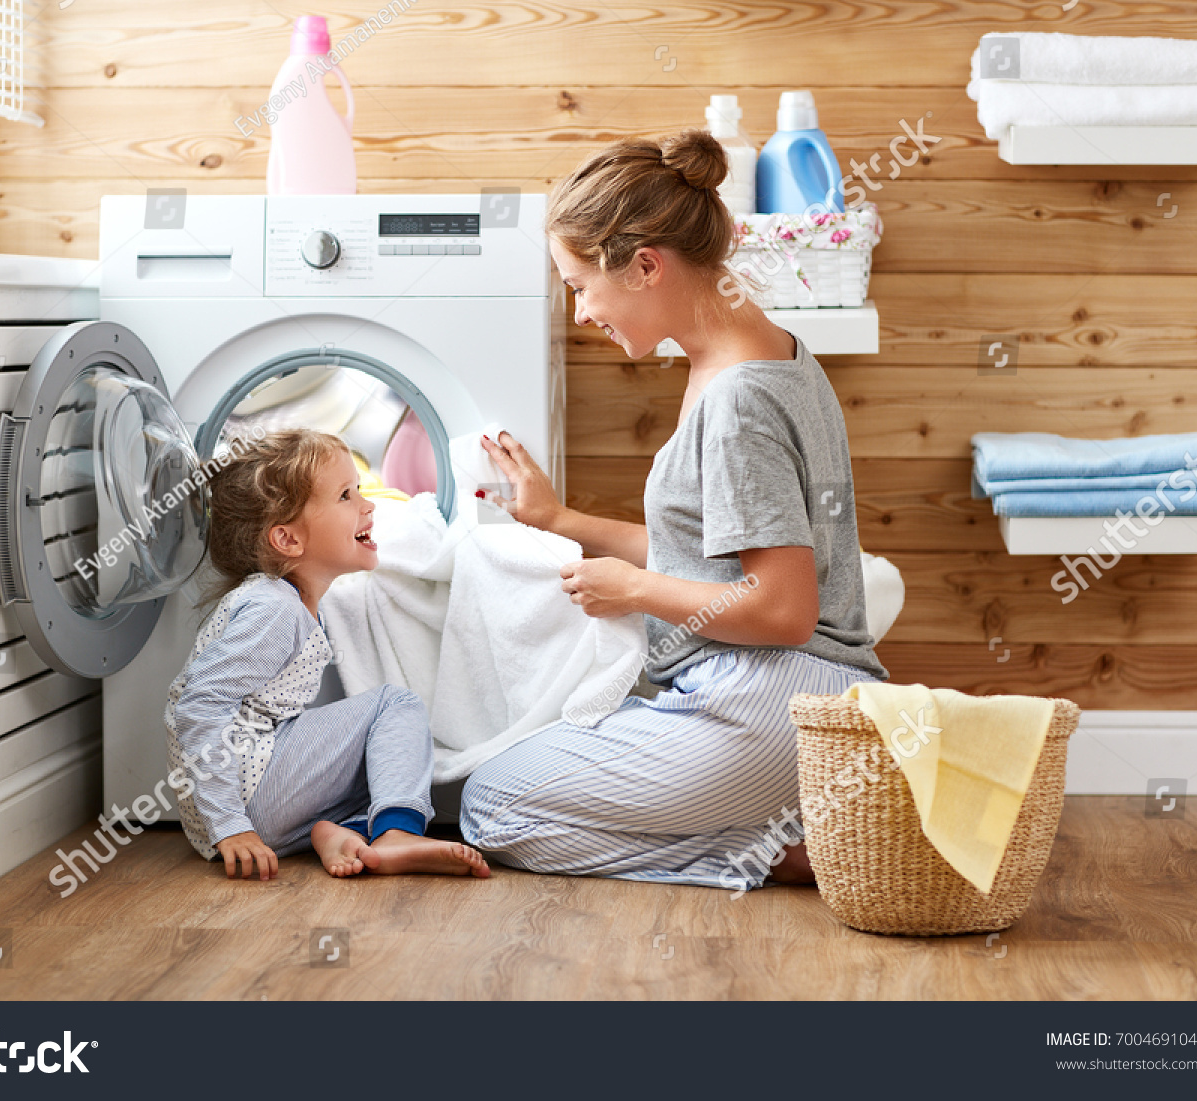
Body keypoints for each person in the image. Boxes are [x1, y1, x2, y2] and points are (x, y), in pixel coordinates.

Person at [459, 129, 889, 891]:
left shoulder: (738, 399)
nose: (581, 313)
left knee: (488, 805)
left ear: (645, 266)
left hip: (768, 705)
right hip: (802, 701)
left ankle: (770, 853)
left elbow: (784, 609)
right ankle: (769, 834)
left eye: (581, 285)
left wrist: (633, 590)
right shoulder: (765, 353)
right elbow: (707, 555)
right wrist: (561, 520)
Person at [165, 428, 490, 881]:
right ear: (288, 540)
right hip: (243, 796)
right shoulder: (273, 608)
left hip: (251, 798)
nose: (367, 505)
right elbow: (200, 704)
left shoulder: (287, 602)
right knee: (394, 705)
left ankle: (335, 833)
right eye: (345, 495)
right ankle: (397, 834)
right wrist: (229, 824)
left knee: (383, 761)